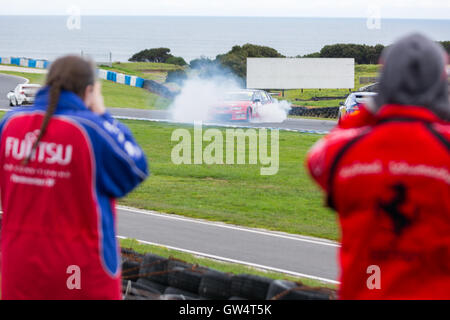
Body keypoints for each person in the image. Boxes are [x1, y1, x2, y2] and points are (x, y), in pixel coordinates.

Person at [306, 33, 450, 299]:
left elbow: (316, 155)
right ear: (440, 83)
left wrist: (374, 107)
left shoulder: (342, 150)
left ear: (386, 82)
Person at [0, 55, 149, 299]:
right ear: (89, 90)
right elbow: (136, 167)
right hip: (81, 270)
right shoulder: (90, 129)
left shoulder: (10, 124)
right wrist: (103, 114)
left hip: (19, 266)